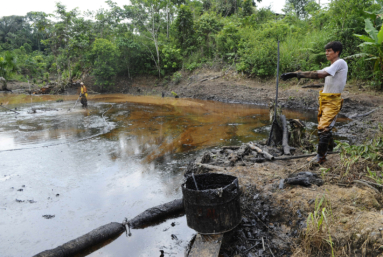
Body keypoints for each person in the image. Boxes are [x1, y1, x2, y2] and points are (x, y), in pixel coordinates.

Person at [281, 41, 348, 164]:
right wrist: (294, 74)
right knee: (326, 126)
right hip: (325, 99)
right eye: (326, 51)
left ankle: (320, 157)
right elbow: (316, 72)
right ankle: (329, 148)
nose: (326, 53)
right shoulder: (330, 67)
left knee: (323, 128)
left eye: (329, 51)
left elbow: (319, 75)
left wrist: (296, 74)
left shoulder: (340, 62)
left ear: (337, 52)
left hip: (332, 101)